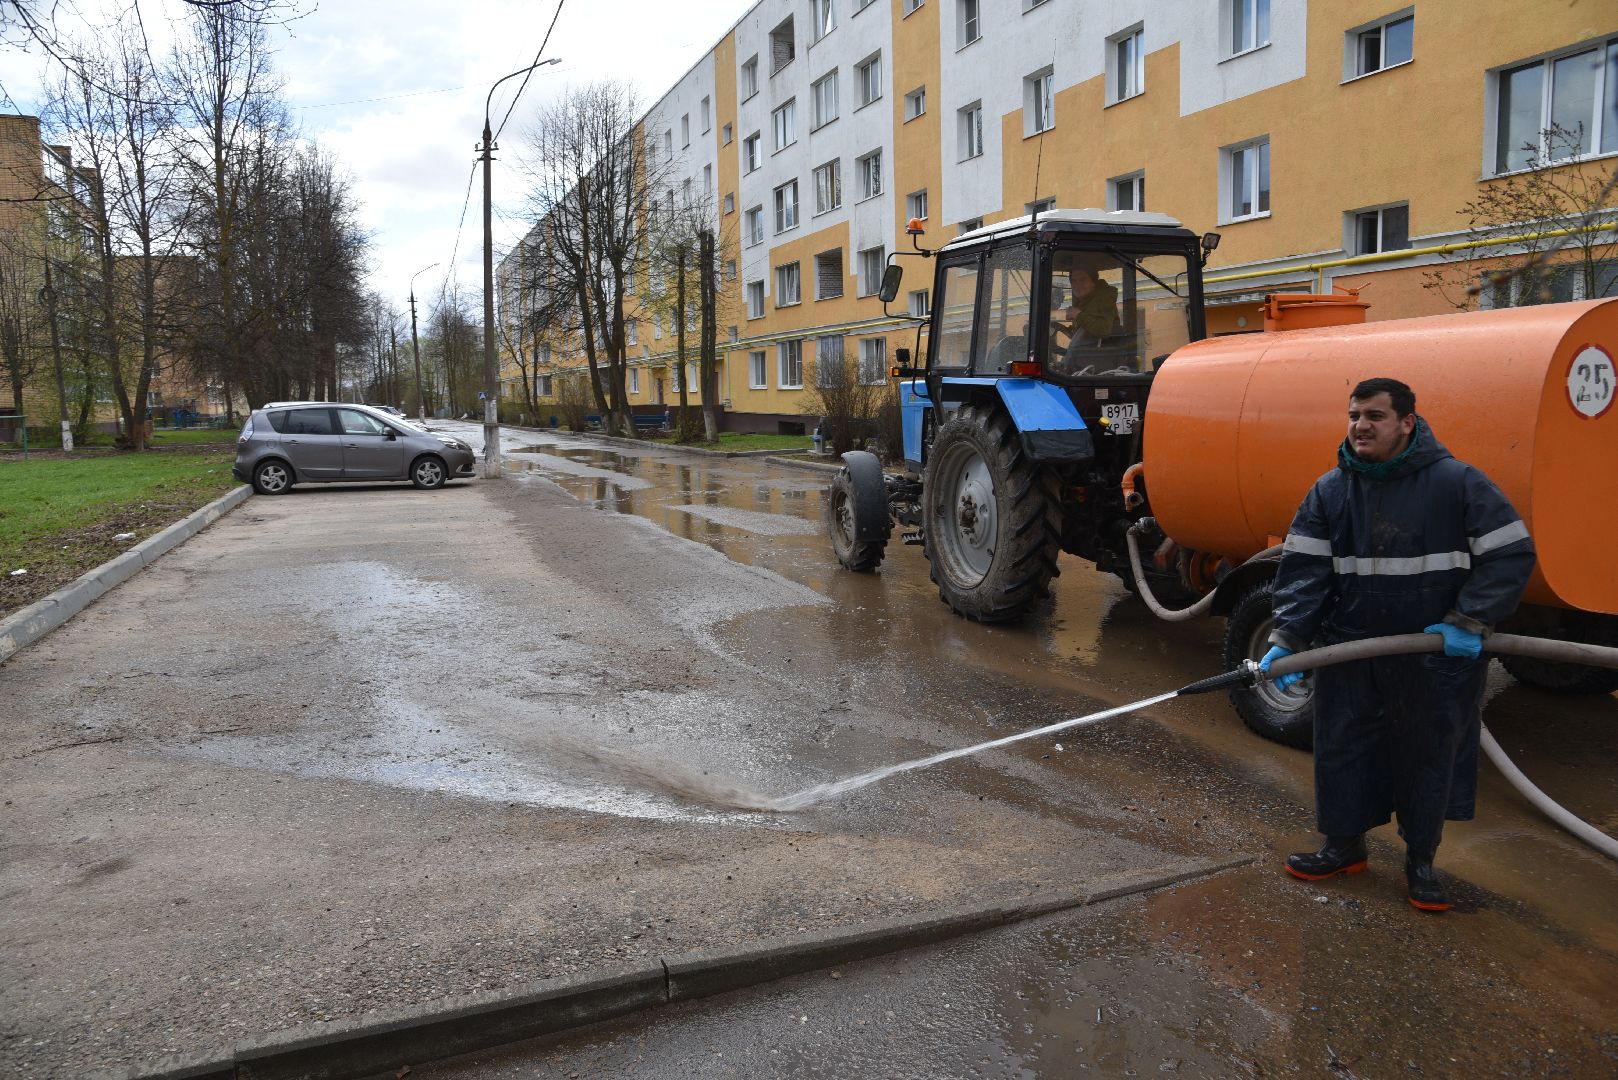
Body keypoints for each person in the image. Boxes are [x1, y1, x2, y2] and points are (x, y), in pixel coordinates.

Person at [1259, 378, 1535, 913]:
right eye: (1354, 414)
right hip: (1351, 651)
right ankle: (1343, 847)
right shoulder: (1330, 491)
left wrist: (1469, 620)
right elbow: (1304, 574)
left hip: (1433, 655)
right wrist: (1288, 637)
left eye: (1375, 416)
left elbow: (1510, 554)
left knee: (1427, 756)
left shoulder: (1457, 484)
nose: (1361, 425)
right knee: (1342, 749)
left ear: (1408, 423)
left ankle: (1421, 863)